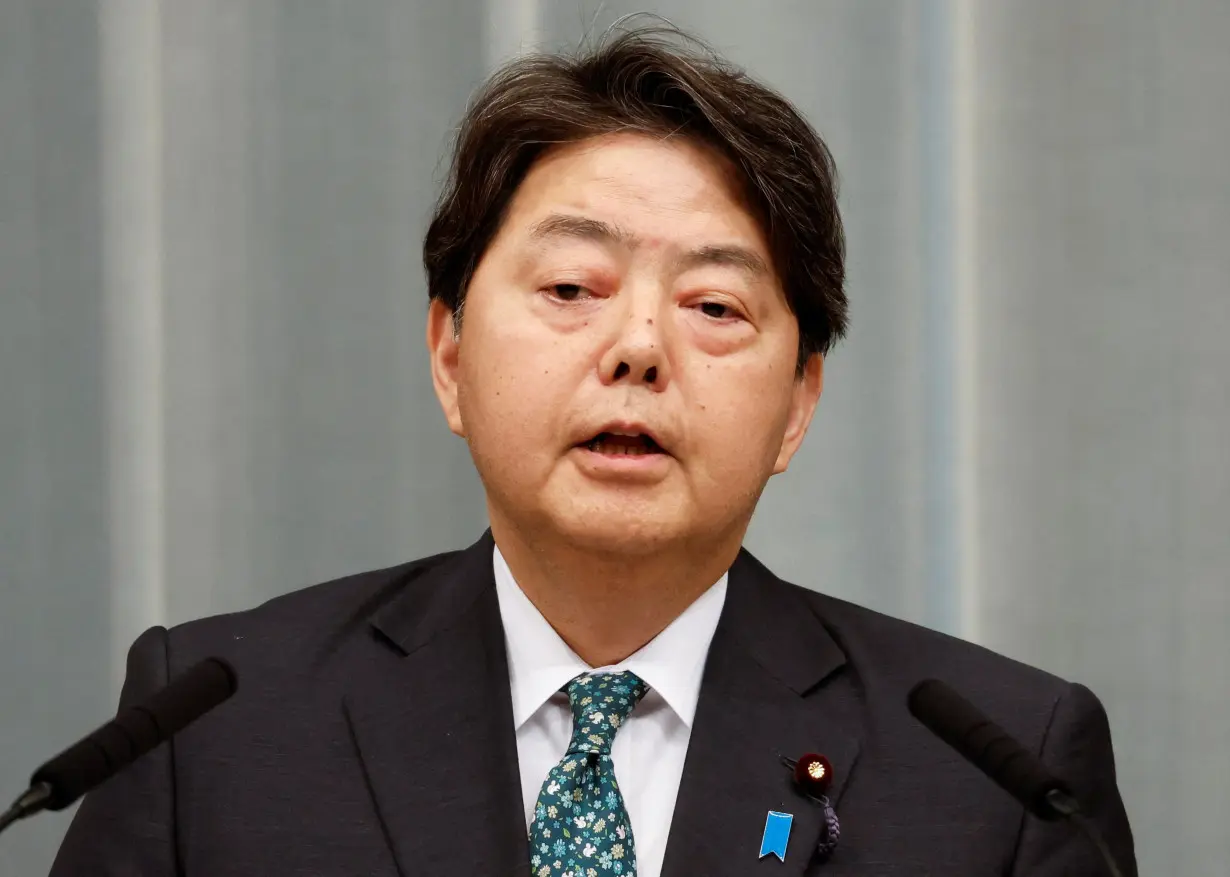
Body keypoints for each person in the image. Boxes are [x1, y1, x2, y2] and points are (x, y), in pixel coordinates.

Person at [50, 25, 1135, 877]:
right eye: (572, 288)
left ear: (799, 402)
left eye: (714, 304)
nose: (639, 348)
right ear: (448, 352)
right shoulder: (213, 730)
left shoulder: (1001, 773)